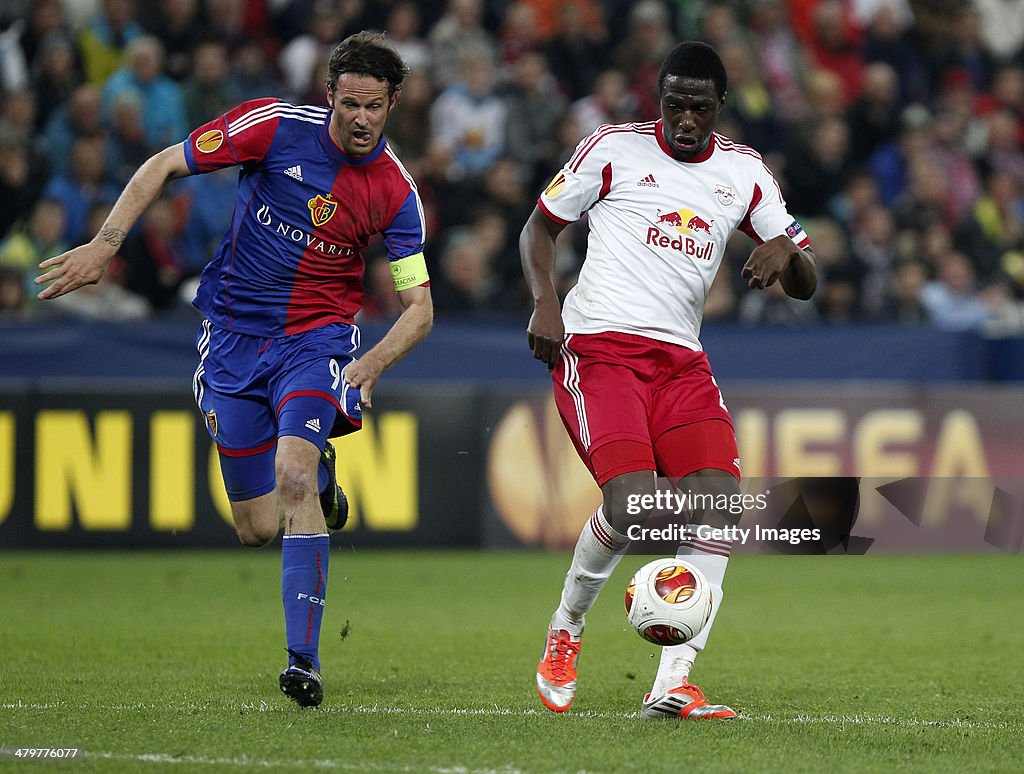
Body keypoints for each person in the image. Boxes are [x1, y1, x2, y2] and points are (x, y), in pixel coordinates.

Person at [36, 31, 433, 709]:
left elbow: (419, 308)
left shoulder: (396, 192)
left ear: (392, 102)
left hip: (317, 343)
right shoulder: (272, 127)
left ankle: (303, 661)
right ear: (329, 95)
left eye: (374, 106)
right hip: (231, 339)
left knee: (293, 476)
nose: (361, 119)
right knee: (254, 526)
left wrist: (369, 363)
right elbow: (164, 163)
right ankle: (323, 473)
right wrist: (105, 245)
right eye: (349, 105)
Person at [520, 41, 816, 719]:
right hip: (598, 349)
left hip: (681, 361)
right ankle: (565, 631)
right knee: (631, 508)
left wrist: (787, 251)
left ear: (720, 107)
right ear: (659, 99)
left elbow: (805, 281)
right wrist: (545, 302)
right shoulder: (612, 148)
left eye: (699, 107)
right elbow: (539, 227)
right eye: (674, 103)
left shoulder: (744, 173)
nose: (685, 118)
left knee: (721, 506)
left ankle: (673, 681)